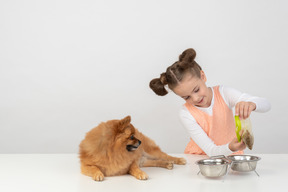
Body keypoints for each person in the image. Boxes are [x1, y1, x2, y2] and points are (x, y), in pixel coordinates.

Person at [149, 48, 271, 156]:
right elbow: (211, 150)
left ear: (203, 76)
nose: (195, 99)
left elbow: (266, 105)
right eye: (187, 97)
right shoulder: (185, 113)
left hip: (231, 154)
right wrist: (230, 147)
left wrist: (251, 104)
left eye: (196, 90)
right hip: (199, 158)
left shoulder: (224, 93)